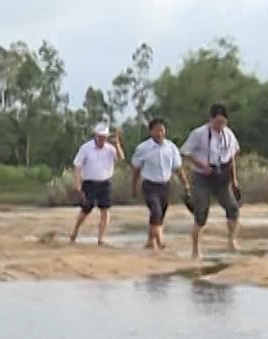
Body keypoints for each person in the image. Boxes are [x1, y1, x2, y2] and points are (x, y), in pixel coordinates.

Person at [180, 103, 241, 259]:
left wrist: (234, 179)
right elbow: (185, 152)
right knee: (201, 213)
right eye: (217, 122)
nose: (220, 125)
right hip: (203, 176)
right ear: (211, 119)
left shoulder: (229, 134)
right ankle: (195, 249)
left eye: (223, 122)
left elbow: (233, 155)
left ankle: (231, 241)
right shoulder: (199, 133)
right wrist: (201, 164)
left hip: (222, 174)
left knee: (233, 208)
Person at [130, 117, 187, 250]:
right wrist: (133, 186)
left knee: (160, 214)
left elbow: (178, 168)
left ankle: (150, 241)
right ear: (151, 132)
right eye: (157, 130)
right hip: (150, 185)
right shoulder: (143, 148)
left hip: (165, 185)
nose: (160, 133)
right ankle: (161, 240)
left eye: (162, 130)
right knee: (156, 211)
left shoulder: (171, 147)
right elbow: (136, 168)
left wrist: (186, 184)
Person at [67, 123, 124, 245]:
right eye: (100, 137)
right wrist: (77, 184)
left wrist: (117, 144)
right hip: (89, 182)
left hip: (105, 182)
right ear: (95, 136)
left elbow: (121, 158)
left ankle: (101, 238)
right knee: (86, 209)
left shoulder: (110, 148)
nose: (102, 139)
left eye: (104, 137)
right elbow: (78, 166)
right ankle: (75, 231)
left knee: (105, 209)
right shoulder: (86, 148)